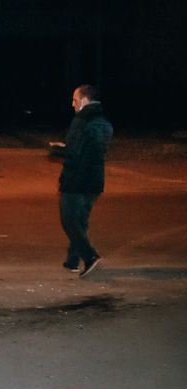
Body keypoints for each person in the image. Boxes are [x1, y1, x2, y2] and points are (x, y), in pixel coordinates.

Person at [57, 84, 113, 277]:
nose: (72, 104)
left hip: (76, 180)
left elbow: (74, 152)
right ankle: (72, 260)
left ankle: (90, 257)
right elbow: (91, 149)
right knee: (79, 220)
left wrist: (58, 149)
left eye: (74, 100)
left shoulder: (80, 120)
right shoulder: (104, 122)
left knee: (69, 221)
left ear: (84, 100)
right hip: (94, 180)